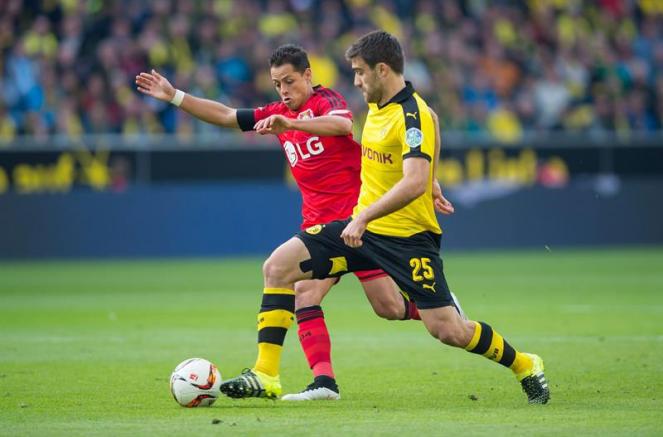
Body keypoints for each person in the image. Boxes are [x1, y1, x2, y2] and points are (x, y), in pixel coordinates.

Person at [219, 31, 550, 405]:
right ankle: (266, 373)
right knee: (278, 269)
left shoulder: (413, 115)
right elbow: (409, 145)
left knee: (448, 330)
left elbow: (411, 182)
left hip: (406, 238)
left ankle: (524, 363)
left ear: (382, 69)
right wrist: (431, 178)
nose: (356, 81)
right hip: (359, 226)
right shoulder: (379, 107)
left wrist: (405, 193)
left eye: (360, 73)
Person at [135, 44, 461, 401]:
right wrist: (175, 96)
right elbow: (228, 115)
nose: (283, 91)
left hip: (361, 222)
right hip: (319, 226)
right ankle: (320, 382)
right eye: (277, 84)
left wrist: (292, 123)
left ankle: (439, 308)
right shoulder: (276, 113)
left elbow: (341, 124)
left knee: (389, 308)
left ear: (308, 75)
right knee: (303, 291)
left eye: (289, 81)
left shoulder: (326, 102)